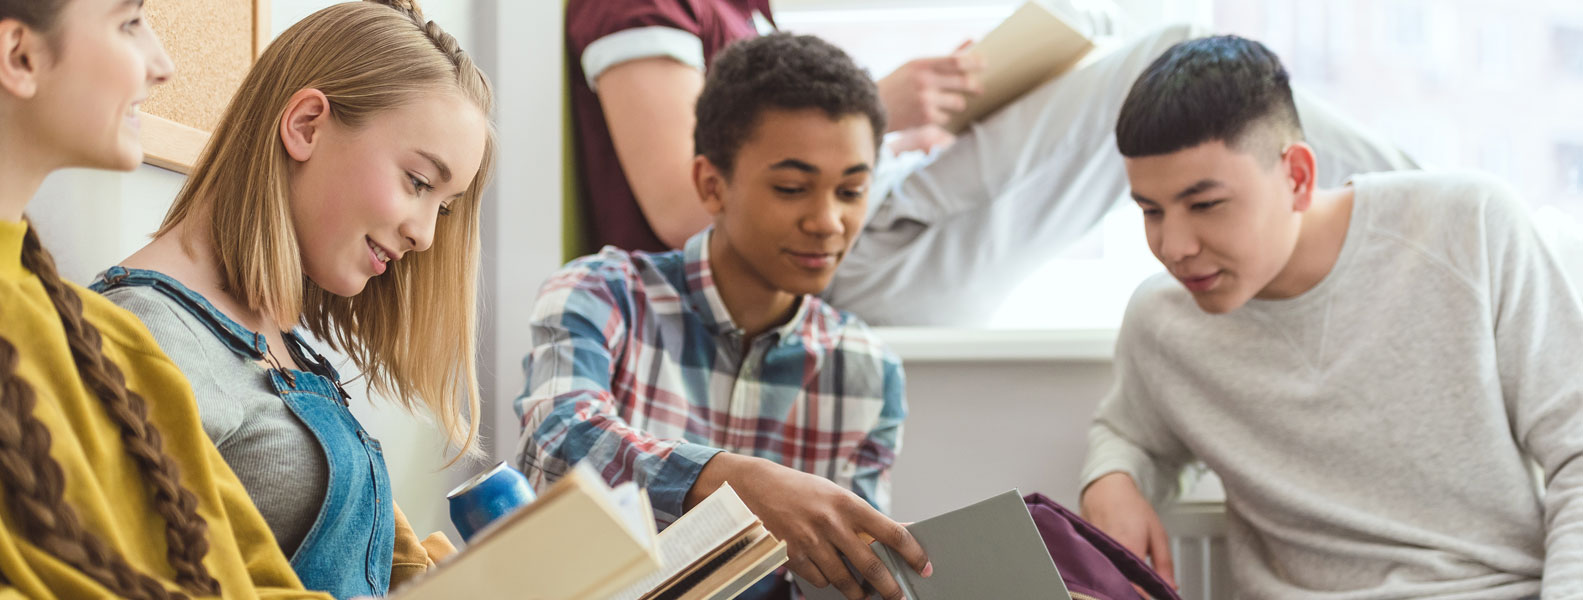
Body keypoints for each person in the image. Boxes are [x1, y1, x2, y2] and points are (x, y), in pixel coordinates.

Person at [1078, 35, 1583, 598]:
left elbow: (1578, 449)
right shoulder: (1162, 321)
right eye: (1150, 211)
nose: (1173, 246)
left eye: (1204, 205)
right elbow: (1129, 432)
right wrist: (1113, 477)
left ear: (1295, 176)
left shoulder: (1472, 228)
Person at [566, 0, 1416, 325]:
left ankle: (1413, 199)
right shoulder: (642, 6)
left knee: (1104, 39)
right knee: (1176, 48)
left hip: (886, 230)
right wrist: (878, 112)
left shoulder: (738, 8)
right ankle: (1417, 196)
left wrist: (909, 126)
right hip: (865, 263)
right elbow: (686, 209)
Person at [88, 1, 493, 597]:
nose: (426, 235)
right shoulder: (141, 337)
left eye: (444, 206)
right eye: (418, 182)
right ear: (305, 125)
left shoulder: (284, 347)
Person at [517, 33, 931, 600]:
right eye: (792, 187)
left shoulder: (868, 373)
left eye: (853, 189)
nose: (829, 221)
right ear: (712, 185)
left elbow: (848, 578)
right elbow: (555, 441)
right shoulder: (603, 294)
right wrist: (730, 482)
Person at [0, 0, 330, 597]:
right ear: (18, 55)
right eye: (129, 23)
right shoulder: (138, 328)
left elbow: (253, 577)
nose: (163, 64)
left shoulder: (114, 345)